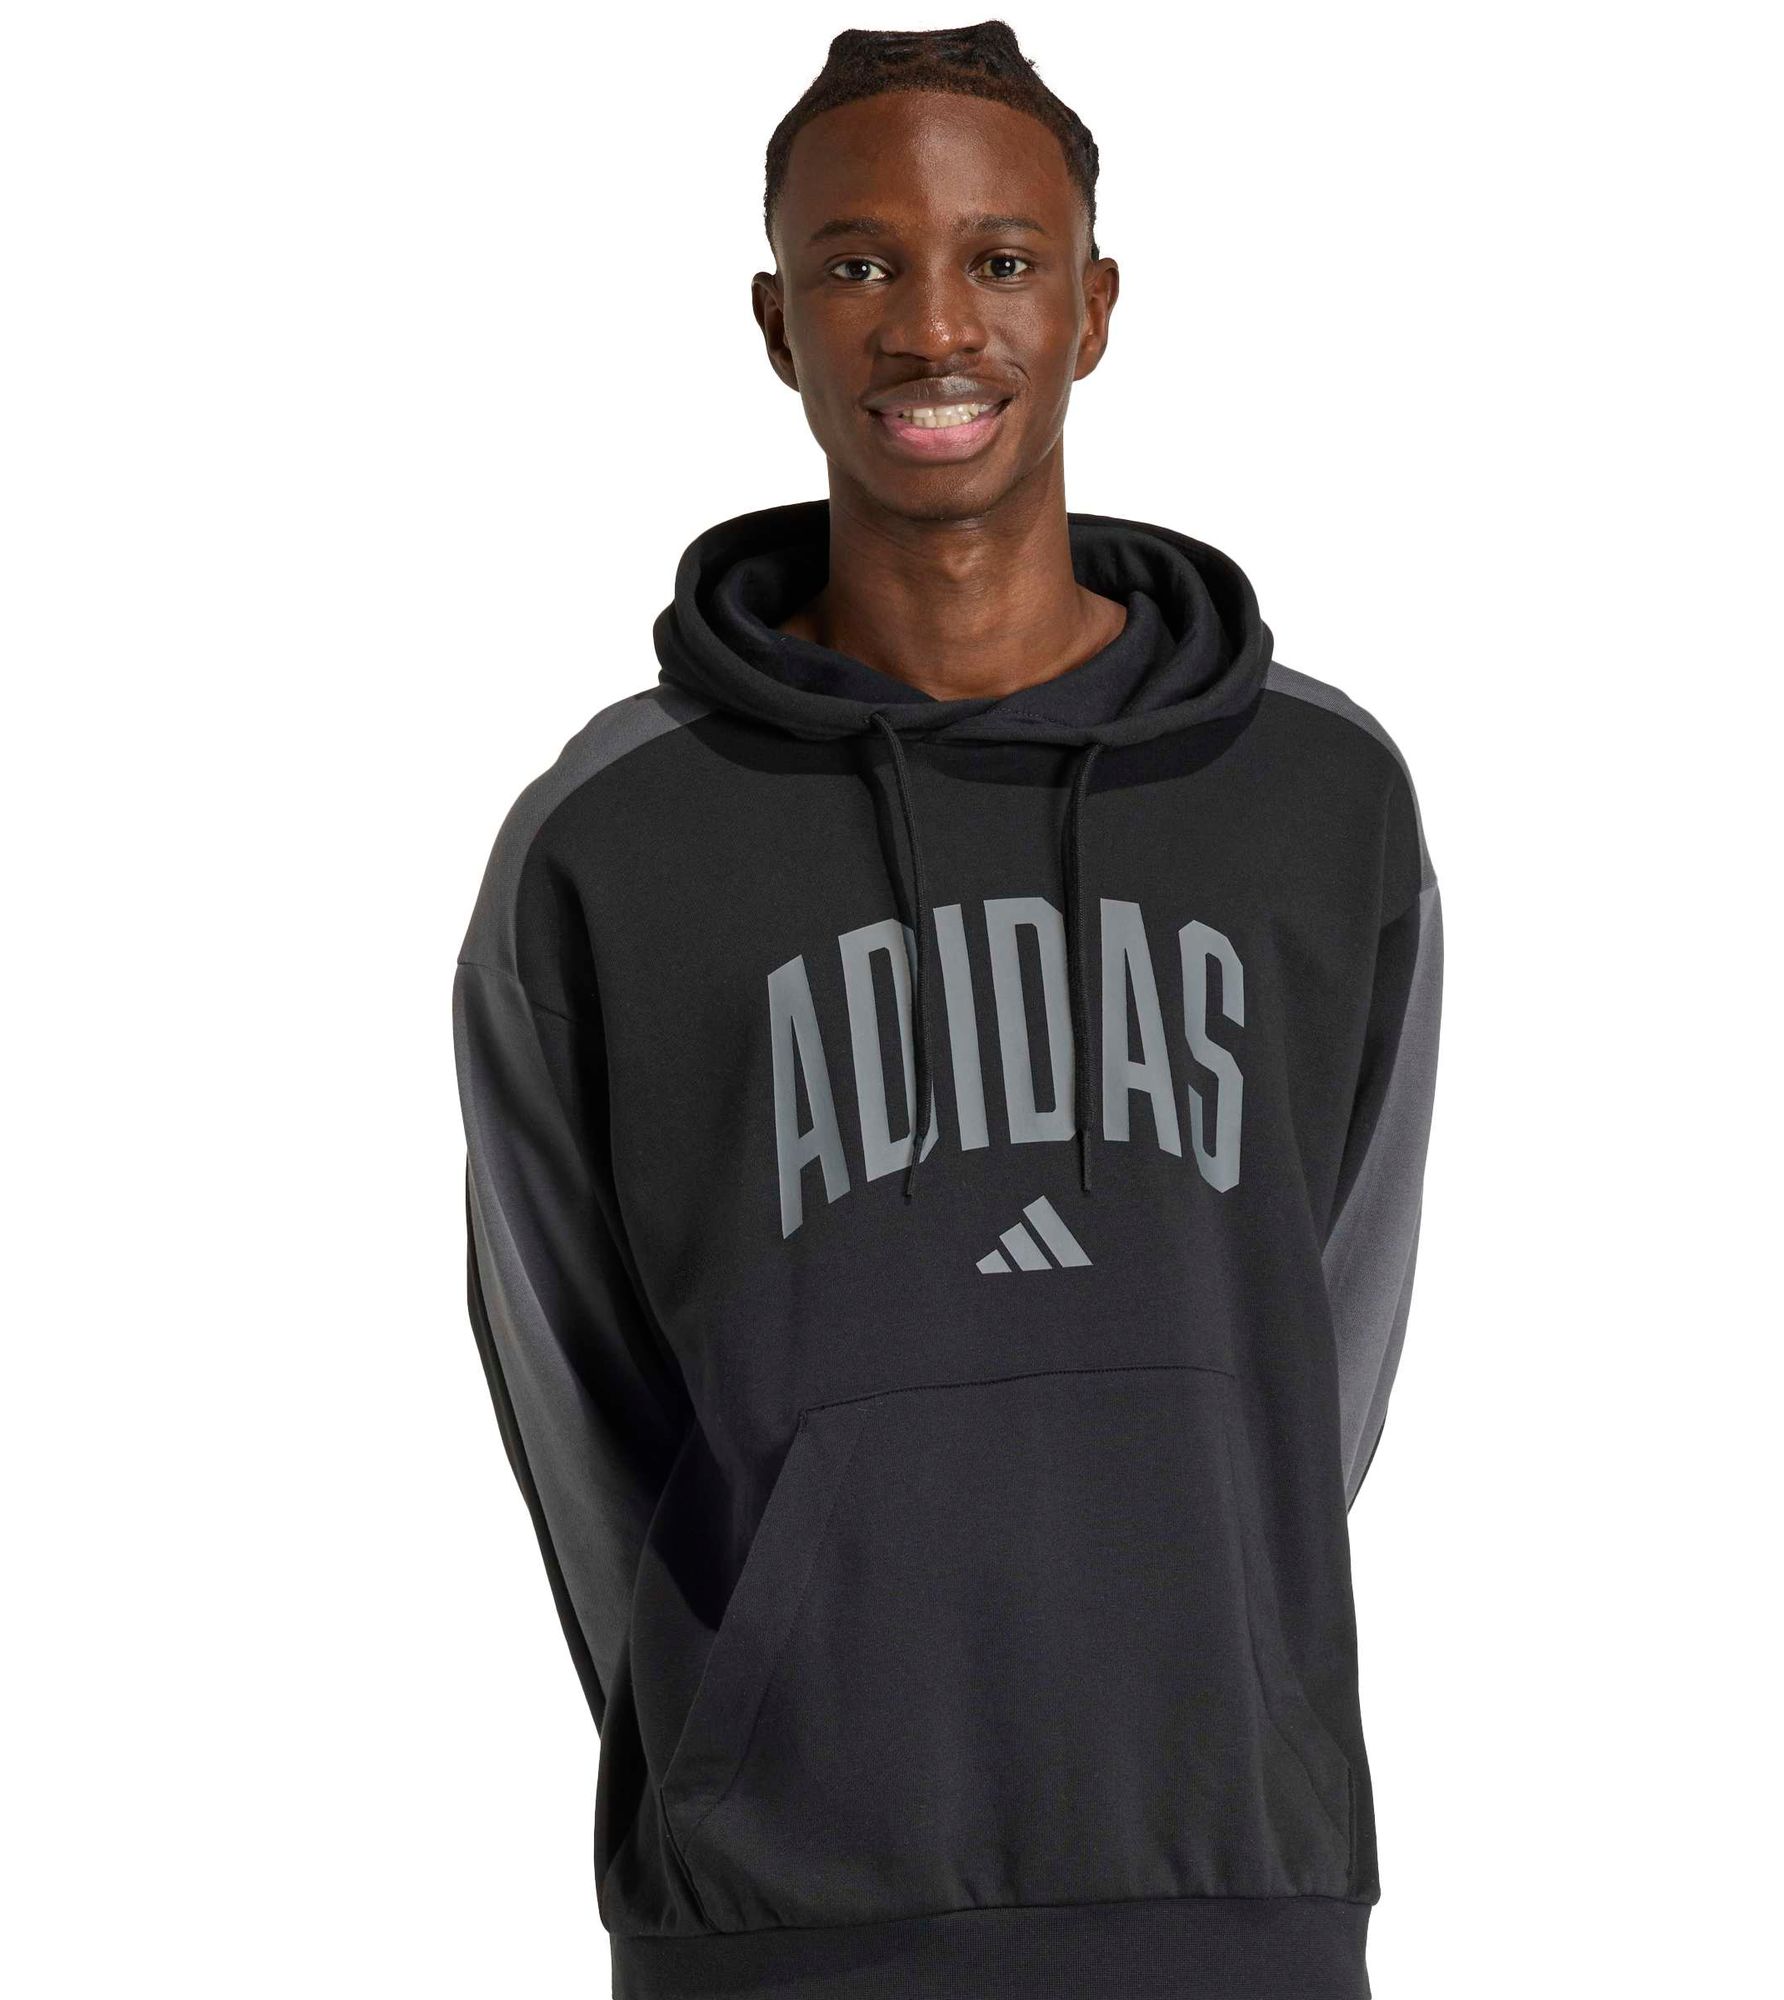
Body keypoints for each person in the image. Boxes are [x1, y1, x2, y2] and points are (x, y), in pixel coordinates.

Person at [454, 21, 1442, 1999]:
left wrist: (1204, 1632)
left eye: (999, 259)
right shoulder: (614, 841)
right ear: (774, 321)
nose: (930, 327)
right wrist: (751, 1732)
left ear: (1093, 308)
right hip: (780, 1924)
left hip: (1229, 1885)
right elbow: (573, 1389)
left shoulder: (1316, 798)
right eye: (857, 262)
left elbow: (1317, 1338)